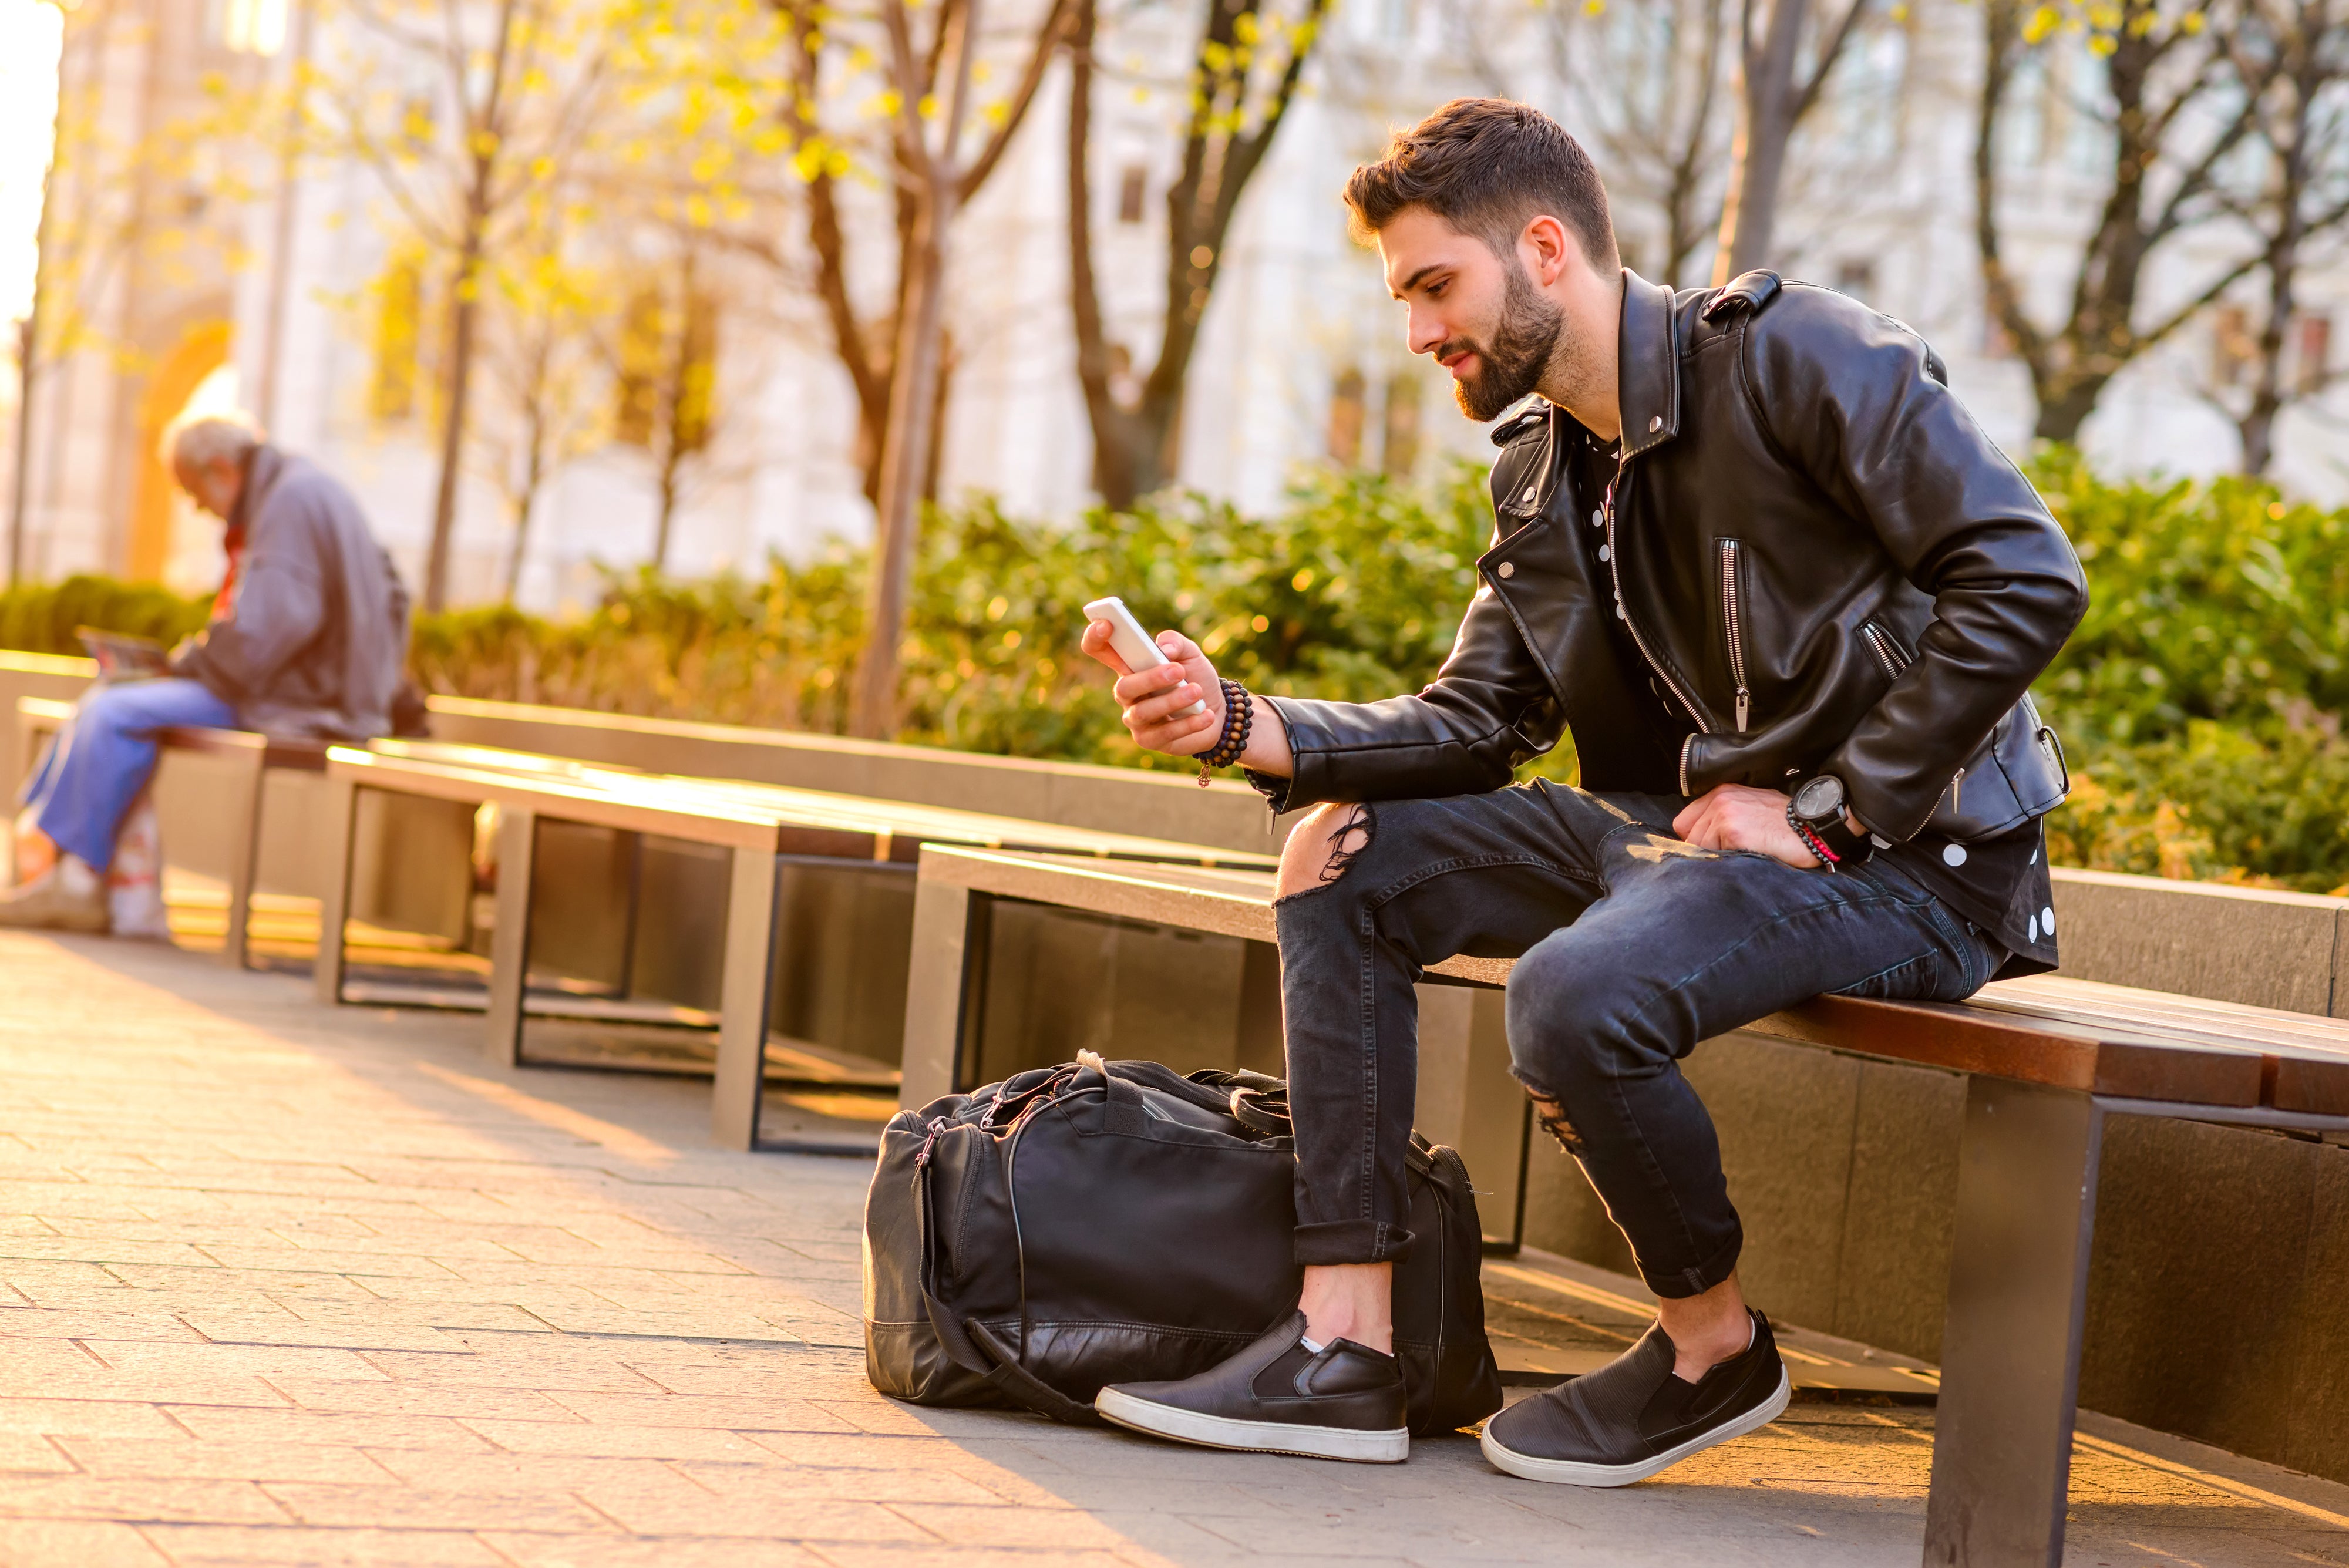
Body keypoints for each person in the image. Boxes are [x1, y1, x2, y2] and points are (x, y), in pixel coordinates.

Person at [1080, 100, 2086, 1484]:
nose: (1418, 331)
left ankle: (1709, 1349)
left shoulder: (1800, 359)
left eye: (1436, 286)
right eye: (1404, 296)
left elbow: (2026, 573)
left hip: (1912, 865)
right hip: (1675, 843)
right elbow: (1478, 719)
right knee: (1341, 854)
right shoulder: (1543, 469)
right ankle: (1345, 1342)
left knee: (1570, 988)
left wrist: (1830, 808)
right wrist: (1241, 724)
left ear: (1544, 247)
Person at [2, 413, 412, 933]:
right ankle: (57, 864)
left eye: (195, 494)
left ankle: (74, 880)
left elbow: (273, 627)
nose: (200, 509)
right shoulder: (303, 487)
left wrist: (189, 664)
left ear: (221, 469)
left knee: (114, 709)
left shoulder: (289, 501)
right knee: (113, 700)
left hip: (302, 701)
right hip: (314, 688)